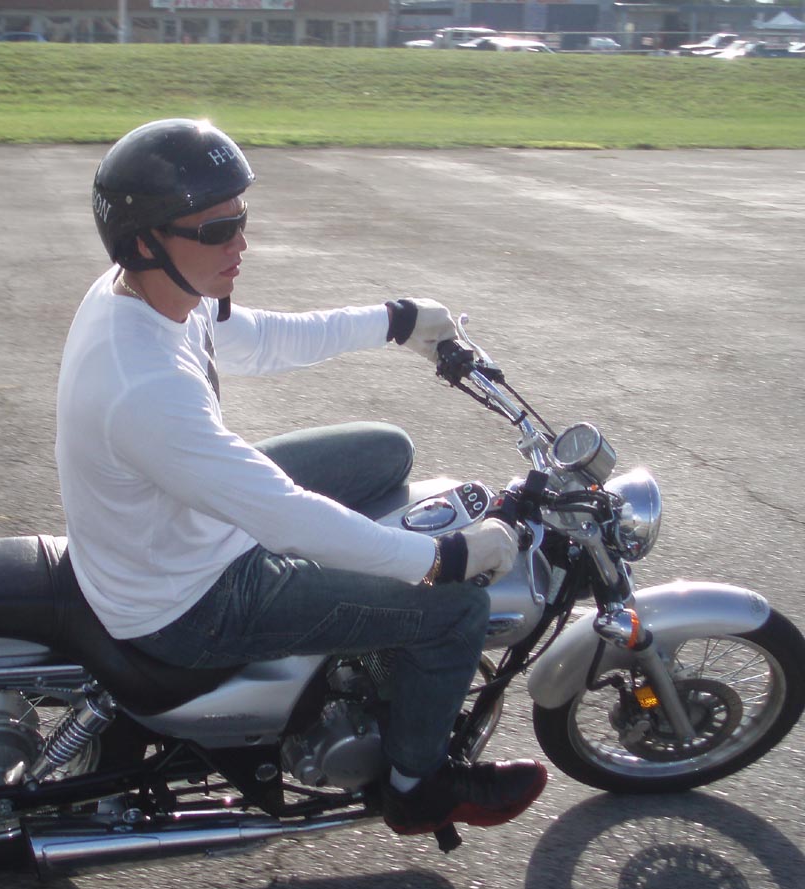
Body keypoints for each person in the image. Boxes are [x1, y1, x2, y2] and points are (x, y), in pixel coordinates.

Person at [55, 118, 546, 837]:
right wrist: (442, 558)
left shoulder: (148, 291)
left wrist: (394, 321)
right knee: (456, 613)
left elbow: (257, 338)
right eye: (218, 229)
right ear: (145, 240)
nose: (241, 243)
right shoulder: (142, 384)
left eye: (242, 218)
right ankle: (417, 786)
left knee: (387, 451)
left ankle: (369, 656)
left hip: (180, 528)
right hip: (188, 599)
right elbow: (282, 516)